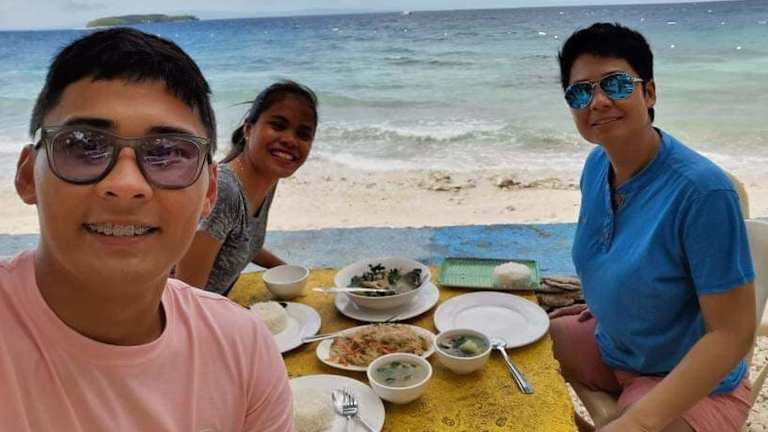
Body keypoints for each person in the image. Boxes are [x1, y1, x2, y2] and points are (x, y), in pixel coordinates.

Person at [1, 28, 292, 431]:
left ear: (209, 191)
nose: (126, 184)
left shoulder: (244, 349)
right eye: (83, 145)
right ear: (27, 175)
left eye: (168, 152)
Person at [550, 23, 755, 432]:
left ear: (649, 93)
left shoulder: (703, 192)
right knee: (512, 350)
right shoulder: (597, 165)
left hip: (692, 379)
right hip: (616, 345)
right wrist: (609, 302)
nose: (599, 101)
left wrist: (640, 422)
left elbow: (732, 334)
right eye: (580, 92)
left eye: (617, 84)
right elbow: (618, 252)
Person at [176, 81, 317, 296]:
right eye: (278, 126)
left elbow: (240, 241)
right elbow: (185, 294)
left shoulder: (267, 179)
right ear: (248, 129)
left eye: (303, 134)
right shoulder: (225, 191)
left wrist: (285, 269)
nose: (290, 140)